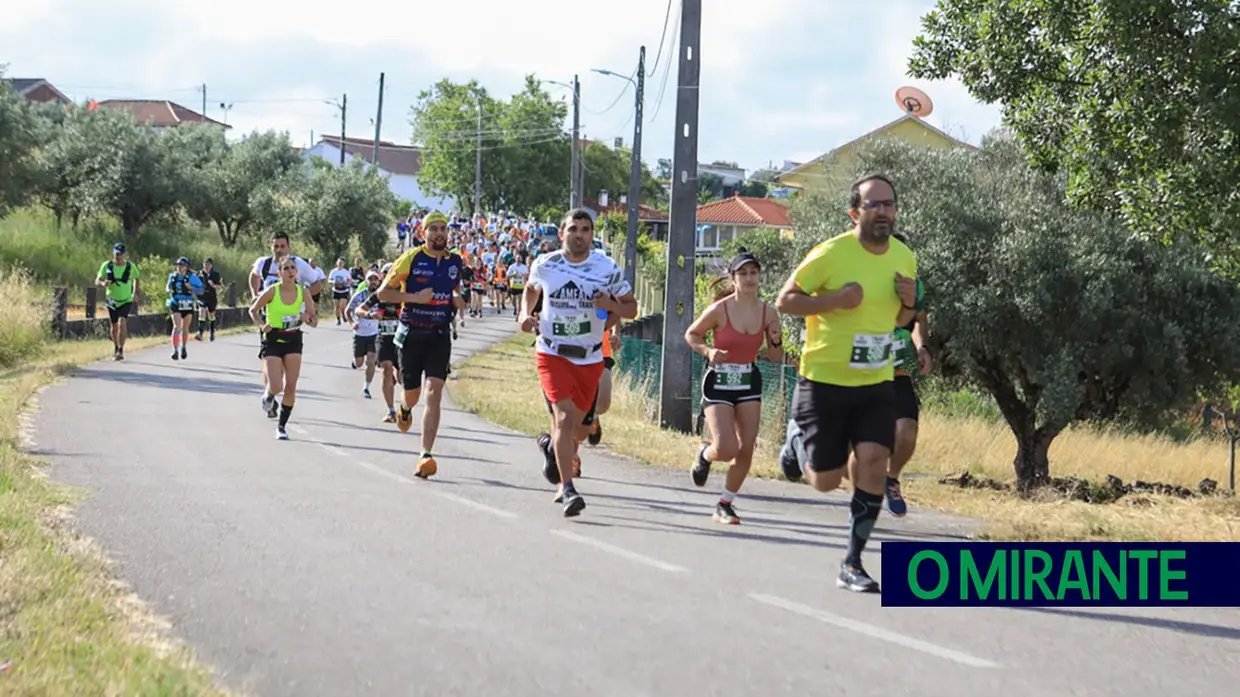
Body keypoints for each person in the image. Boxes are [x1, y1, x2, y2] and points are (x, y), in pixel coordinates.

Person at [774, 173, 918, 594]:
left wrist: (909, 303)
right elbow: (786, 300)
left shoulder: (904, 257)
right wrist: (833, 302)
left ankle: (852, 562)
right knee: (825, 481)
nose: (882, 211)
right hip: (824, 381)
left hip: (876, 380)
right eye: (873, 204)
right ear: (855, 212)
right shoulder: (831, 254)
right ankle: (797, 442)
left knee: (874, 463)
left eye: (888, 203)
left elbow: (899, 321)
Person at [519, 208, 637, 516]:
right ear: (562, 234)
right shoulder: (546, 264)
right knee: (563, 419)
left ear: (592, 235)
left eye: (585, 229)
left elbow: (631, 309)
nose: (579, 234)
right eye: (573, 229)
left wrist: (609, 305)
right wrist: (524, 315)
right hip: (552, 351)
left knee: (581, 431)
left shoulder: (606, 267)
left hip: (591, 355)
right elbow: (531, 289)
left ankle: (551, 448)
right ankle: (568, 489)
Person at [684, 248, 784, 525]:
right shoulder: (720, 309)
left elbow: (776, 358)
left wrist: (775, 341)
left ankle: (725, 503)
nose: (750, 278)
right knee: (726, 448)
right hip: (719, 380)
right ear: (733, 277)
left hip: (748, 379)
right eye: (743, 273)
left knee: (747, 447)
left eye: (754, 273)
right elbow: (691, 334)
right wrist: (707, 351)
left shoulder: (768, 313)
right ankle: (705, 454)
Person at [376, 210, 464, 479]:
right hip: (412, 333)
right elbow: (383, 293)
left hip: (439, 335)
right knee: (412, 395)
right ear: (422, 233)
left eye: (443, 229)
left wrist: (458, 298)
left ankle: (425, 454)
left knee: (433, 392)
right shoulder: (410, 258)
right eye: (433, 229)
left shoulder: (456, 261)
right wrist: (414, 297)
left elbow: (455, 287)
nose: (439, 233)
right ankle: (403, 408)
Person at [883, 231, 931, 517]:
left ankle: (892, 479)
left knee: (907, 434)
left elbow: (919, 322)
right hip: (862, 373)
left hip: (899, 371)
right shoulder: (866, 283)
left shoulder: (915, 287)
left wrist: (923, 346)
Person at [250, 257, 318, 440]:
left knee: (291, 386)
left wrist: (306, 318)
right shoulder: (272, 291)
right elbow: (253, 310)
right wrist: (261, 325)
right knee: (277, 385)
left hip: (293, 339)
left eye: (292, 268)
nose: (289, 271)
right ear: (279, 273)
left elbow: (314, 321)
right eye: (286, 268)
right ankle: (269, 395)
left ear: (296, 272)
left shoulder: (303, 292)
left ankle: (281, 426)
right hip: (273, 339)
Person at [249, 233, 321, 403]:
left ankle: (272, 393)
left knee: (285, 366)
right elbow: (253, 275)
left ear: (288, 247)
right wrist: (255, 294)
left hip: (292, 322)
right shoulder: (263, 263)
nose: (279, 250)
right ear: (271, 246)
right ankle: (271, 395)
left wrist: (302, 297)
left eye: (283, 246)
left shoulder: (299, 264)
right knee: (271, 364)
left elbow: (317, 283)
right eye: (276, 246)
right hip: (269, 321)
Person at [358, 262, 403, 422]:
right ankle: (391, 411)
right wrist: (370, 315)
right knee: (386, 369)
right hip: (384, 336)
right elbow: (359, 309)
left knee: (402, 376)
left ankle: (404, 409)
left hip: (402, 338)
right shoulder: (379, 294)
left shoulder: (404, 293)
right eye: (386, 273)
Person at [96, 243, 139, 361]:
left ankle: (121, 349)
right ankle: (115, 346)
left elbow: (136, 278)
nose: (118, 256)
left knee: (122, 321)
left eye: (120, 254)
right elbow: (97, 280)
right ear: (113, 253)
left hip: (126, 300)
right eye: (116, 254)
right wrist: (103, 283)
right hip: (112, 300)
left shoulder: (130, 266)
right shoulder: (107, 265)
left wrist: (135, 293)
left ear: (124, 254)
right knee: (114, 326)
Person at [346, 270, 383, 399]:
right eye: (370, 279)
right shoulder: (359, 295)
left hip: (374, 334)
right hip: (360, 333)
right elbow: (347, 310)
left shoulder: (381, 296)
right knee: (359, 363)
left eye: (375, 279)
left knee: (371, 361)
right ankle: (354, 363)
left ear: (379, 281)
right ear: (366, 281)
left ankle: (366, 388)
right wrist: (351, 324)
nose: (373, 282)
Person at [166, 257, 203, 361]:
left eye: (182, 266)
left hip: (188, 304)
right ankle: (175, 350)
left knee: (185, 328)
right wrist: (170, 289)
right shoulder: (172, 276)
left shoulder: (192, 277)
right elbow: (167, 288)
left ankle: (184, 347)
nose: (179, 267)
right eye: (178, 265)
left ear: (186, 267)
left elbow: (201, 290)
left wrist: (190, 287)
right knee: (176, 326)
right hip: (176, 303)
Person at [194, 258, 224, 342]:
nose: (206, 266)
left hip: (211, 297)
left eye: (208, 264)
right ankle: (200, 333)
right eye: (205, 264)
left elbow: (221, 287)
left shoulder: (215, 274)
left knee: (211, 316)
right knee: (202, 312)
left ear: (211, 265)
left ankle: (212, 331)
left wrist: (213, 285)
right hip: (202, 297)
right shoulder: (199, 274)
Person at [328, 259, 353, 324]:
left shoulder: (346, 272)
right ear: (336, 263)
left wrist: (346, 284)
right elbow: (329, 280)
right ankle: (338, 319)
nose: (340, 264)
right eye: (339, 262)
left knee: (342, 305)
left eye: (341, 263)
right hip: (335, 290)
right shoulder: (333, 271)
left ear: (344, 264)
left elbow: (350, 280)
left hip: (344, 290)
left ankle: (343, 314)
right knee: (336, 306)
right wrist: (334, 282)